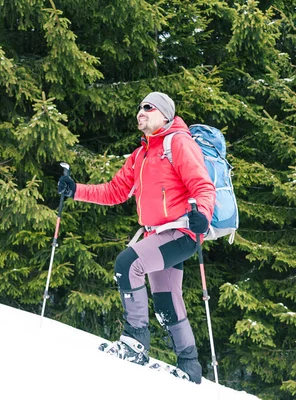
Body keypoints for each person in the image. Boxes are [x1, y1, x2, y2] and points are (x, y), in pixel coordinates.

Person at [58, 92, 215, 383]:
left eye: (148, 107)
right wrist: (75, 190)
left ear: (165, 114)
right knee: (167, 299)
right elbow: (114, 191)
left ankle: (135, 342)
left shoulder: (178, 142)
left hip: (183, 231)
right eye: (139, 107)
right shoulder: (141, 154)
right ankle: (190, 366)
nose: (140, 112)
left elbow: (202, 185)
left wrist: (203, 214)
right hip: (158, 234)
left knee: (128, 263)